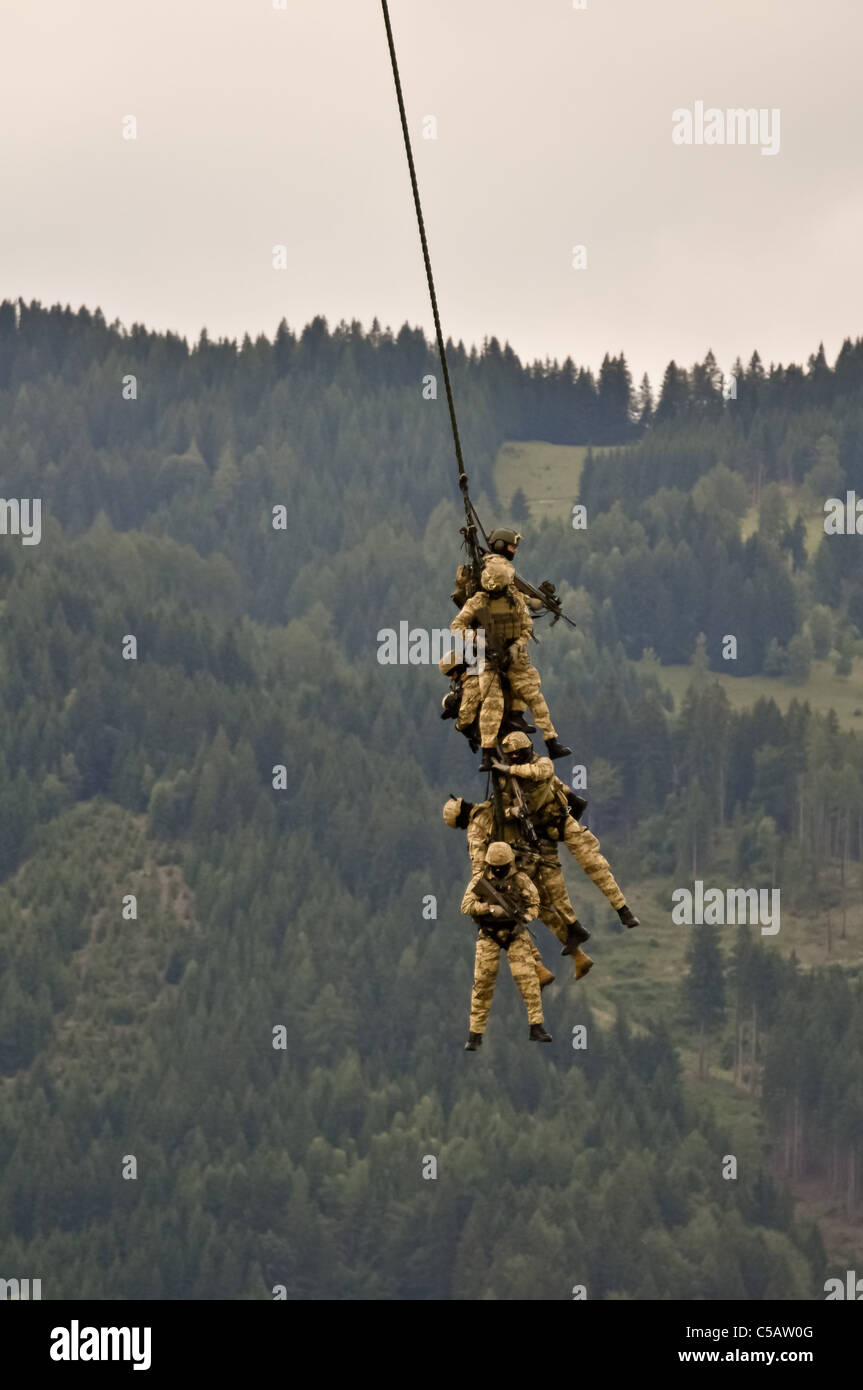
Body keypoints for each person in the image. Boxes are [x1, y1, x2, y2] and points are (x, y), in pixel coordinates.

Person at [492, 731, 640, 931]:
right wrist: (513, 810)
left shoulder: (542, 764)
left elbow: (539, 772)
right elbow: (499, 811)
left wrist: (509, 769)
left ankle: (622, 909)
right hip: (539, 832)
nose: (516, 757)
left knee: (594, 864)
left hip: (562, 821)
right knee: (554, 886)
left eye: (519, 753)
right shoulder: (506, 781)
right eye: (512, 755)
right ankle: (574, 928)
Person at [450, 555, 571, 771]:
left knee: (535, 697)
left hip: (516, 658)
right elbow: (456, 626)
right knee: (491, 703)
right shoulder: (478, 601)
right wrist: (477, 640)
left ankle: (552, 741)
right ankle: (488, 754)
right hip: (488, 660)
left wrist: (516, 647)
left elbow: (526, 627)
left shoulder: (515, 598)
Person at [461, 842, 552, 1049]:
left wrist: (526, 916)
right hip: (489, 935)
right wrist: (489, 909)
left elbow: (534, 904)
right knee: (482, 984)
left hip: (515, 934)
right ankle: (475, 1035)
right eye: (496, 866)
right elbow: (466, 906)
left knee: (528, 980)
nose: (499, 869)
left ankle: (536, 1026)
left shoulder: (520, 880)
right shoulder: (481, 880)